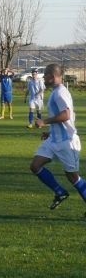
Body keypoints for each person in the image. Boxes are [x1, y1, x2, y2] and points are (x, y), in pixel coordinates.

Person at [29, 63, 86, 215]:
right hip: (54, 139)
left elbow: (66, 115)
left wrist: (44, 122)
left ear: (52, 77)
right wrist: (50, 132)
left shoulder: (61, 93)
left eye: (45, 75)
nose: (43, 78)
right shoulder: (56, 92)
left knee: (73, 177)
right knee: (35, 165)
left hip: (66, 142)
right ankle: (60, 192)